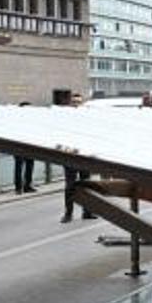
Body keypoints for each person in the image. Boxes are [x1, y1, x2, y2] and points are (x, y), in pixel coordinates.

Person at [61, 92, 94, 223]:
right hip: (69, 157)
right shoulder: (65, 120)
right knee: (70, 186)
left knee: (86, 185)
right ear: (71, 104)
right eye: (74, 102)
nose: (76, 105)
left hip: (84, 157)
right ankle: (68, 213)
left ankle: (87, 212)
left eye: (79, 102)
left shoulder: (86, 120)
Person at [12, 101, 36, 194]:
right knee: (19, 166)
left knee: (30, 165)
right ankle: (18, 187)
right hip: (19, 146)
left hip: (30, 146)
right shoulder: (16, 121)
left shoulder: (32, 122)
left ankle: (28, 185)